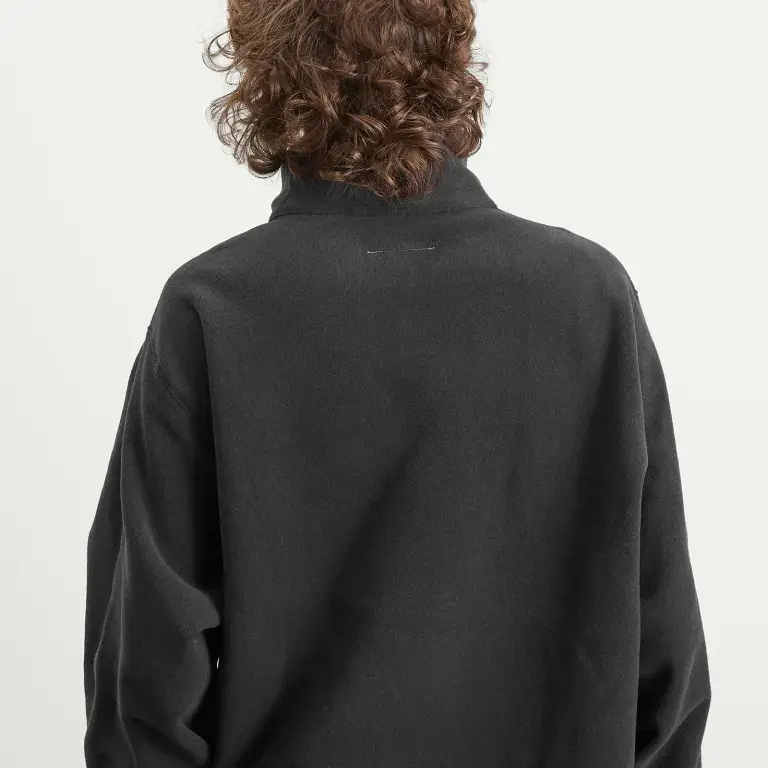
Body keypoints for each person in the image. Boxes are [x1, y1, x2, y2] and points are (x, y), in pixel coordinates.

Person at [83, 1, 711, 766]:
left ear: (265, 71)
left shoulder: (216, 308)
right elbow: (667, 661)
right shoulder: (589, 296)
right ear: (452, 57)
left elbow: (147, 687)